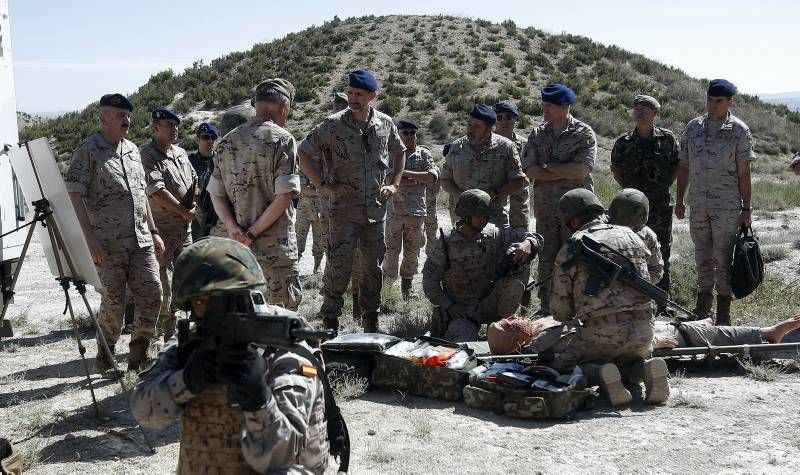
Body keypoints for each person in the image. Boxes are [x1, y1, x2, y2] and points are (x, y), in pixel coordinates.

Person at [130, 237, 329, 474]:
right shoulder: (194, 339)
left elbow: (282, 457)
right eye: (202, 301)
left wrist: (258, 398)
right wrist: (188, 380)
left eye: (222, 300)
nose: (214, 311)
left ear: (247, 295)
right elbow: (144, 412)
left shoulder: (284, 348)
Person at [298, 70, 405, 333]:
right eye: (349, 93)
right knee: (338, 270)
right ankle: (330, 329)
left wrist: (394, 184)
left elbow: (399, 151)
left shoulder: (385, 123)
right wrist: (323, 185)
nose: (353, 98)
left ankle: (371, 326)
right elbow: (303, 153)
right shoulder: (332, 124)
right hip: (342, 213)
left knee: (373, 271)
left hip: (374, 214)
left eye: (358, 94)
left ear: (372, 96)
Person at [65, 93, 164, 374]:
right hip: (106, 244)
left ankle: (138, 357)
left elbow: (141, 194)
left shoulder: (133, 150)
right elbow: (74, 196)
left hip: (140, 240)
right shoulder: (88, 150)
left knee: (152, 294)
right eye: (120, 116)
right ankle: (106, 358)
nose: (127, 121)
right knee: (114, 304)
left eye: (128, 116)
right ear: (103, 118)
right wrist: (89, 238)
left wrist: (154, 230)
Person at [549, 189, 666, 406]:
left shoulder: (573, 247)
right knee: (628, 360)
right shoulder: (632, 235)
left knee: (560, 365)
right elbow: (652, 274)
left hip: (600, 335)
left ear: (573, 220)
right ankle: (644, 368)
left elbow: (561, 311)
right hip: (644, 332)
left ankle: (600, 373)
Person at [208, 79, 302, 311]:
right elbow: (285, 196)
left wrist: (233, 229)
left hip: (233, 250)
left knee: (238, 321)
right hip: (273, 252)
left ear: (256, 105)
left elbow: (215, 193)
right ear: (284, 107)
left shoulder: (227, 141)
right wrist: (252, 233)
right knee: (279, 325)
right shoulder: (283, 139)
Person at [675, 79, 756, 326]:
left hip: (727, 206)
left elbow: (744, 173)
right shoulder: (693, 128)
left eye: (718, 101)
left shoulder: (739, 131)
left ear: (730, 102)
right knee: (702, 256)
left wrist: (746, 208)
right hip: (698, 203)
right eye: (710, 100)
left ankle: (723, 315)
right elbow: (684, 166)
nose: (713, 105)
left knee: (722, 258)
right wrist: (680, 199)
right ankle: (702, 310)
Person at [422, 189, 542, 342]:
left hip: (490, 302)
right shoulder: (446, 242)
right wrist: (449, 306)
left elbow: (533, 237)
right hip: (463, 310)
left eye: (486, 216)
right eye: (479, 216)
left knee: (515, 285)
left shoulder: (493, 232)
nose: (484, 220)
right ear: (466, 217)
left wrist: (528, 243)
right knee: (461, 347)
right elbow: (429, 282)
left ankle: (502, 329)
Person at [523, 84, 597, 316]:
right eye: (544, 104)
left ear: (565, 107)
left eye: (550, 105)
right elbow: (530, 170)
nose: (545, 109)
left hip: (577, 213)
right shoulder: (537, 134)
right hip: (546, 209)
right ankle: (547, 308)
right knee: (547, 257)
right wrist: (563, 170)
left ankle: (577, 308)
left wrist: (550, 167)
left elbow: (582, 170)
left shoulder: (583, 132)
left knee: (577, 257)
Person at [610, 95, 679, 311]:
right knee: (628, 250)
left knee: (661, 252)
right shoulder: (624, 142)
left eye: (645, 109)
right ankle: (631, 298)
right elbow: (616, 170)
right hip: (629, 209)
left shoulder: (667, 139)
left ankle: (661, 302)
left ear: (655, 113)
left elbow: (677, 166)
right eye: (636, 108)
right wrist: (632, 192)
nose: (639, 112)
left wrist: (663, 185)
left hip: (659, 205)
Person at [141, 108, 198, 342]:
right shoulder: (148, 155)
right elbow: (156, 191)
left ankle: (185, 332)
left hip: (185, 231)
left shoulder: (181, 153)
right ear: (156, 128)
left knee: (187, 279)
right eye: (169, 125)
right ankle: (166, 335)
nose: (175, 129)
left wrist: (194, 205)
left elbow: (194, 181)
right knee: (164, 284)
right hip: (163, 231)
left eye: (176, 125)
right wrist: (184, 211)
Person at [439, 104, 527, 228]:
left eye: (477, 126)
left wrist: (495, 193)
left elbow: (518, 180)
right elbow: (445, 179)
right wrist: (463, 197)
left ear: (489, 128)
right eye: (469, 124)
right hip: (462, 217)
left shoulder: (505, 147)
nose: (470, 129)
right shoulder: (457, 147)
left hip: (494, 217)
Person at [383, 119, 438, 299]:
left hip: (416, 213)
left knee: (412, 252)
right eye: (405, 132)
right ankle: (388, 289)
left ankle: (407, 288)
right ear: (398, 134)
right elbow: (388, 179)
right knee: (391, 251)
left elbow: (432, 176)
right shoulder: (392, 153)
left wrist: (403, 174)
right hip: (395, 212)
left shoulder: (423, 154)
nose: (409, 136)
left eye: (412, 132)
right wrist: (416, 179)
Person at [207, 105, 257, 239]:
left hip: (226, 229)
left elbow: (214, 194)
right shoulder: (262, 155)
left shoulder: (220, 155)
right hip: (251, 231)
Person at [608, 188, 664, 285]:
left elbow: (657, 270)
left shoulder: (647, 236)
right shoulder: (602, 231)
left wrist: (639, 282)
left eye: (631, 223)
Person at [493, 100, 530, 231]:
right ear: (494, 120)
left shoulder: (526, 145)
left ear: (515, 119)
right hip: (495, 202)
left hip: (519, 204)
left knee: (520, 241)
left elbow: (533, 170)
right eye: (499, 117)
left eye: (509, 117)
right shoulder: (486, 144)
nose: (504, 121)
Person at [187, 122, 219, 240]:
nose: (210, 141)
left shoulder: (221, 161)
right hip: (197, 217)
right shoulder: (189, 162)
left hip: (218, 215)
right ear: (197, 139)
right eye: (206, 137)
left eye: (213, 137)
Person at [296, 170, 325, 273]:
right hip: (304, 211)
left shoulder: (323, 169)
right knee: (299, 240)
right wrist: (321, 191)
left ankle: (317, 267)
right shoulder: (303, 170)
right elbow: (303, 189)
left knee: (320, 241)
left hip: (320, 211)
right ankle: (294, 268)